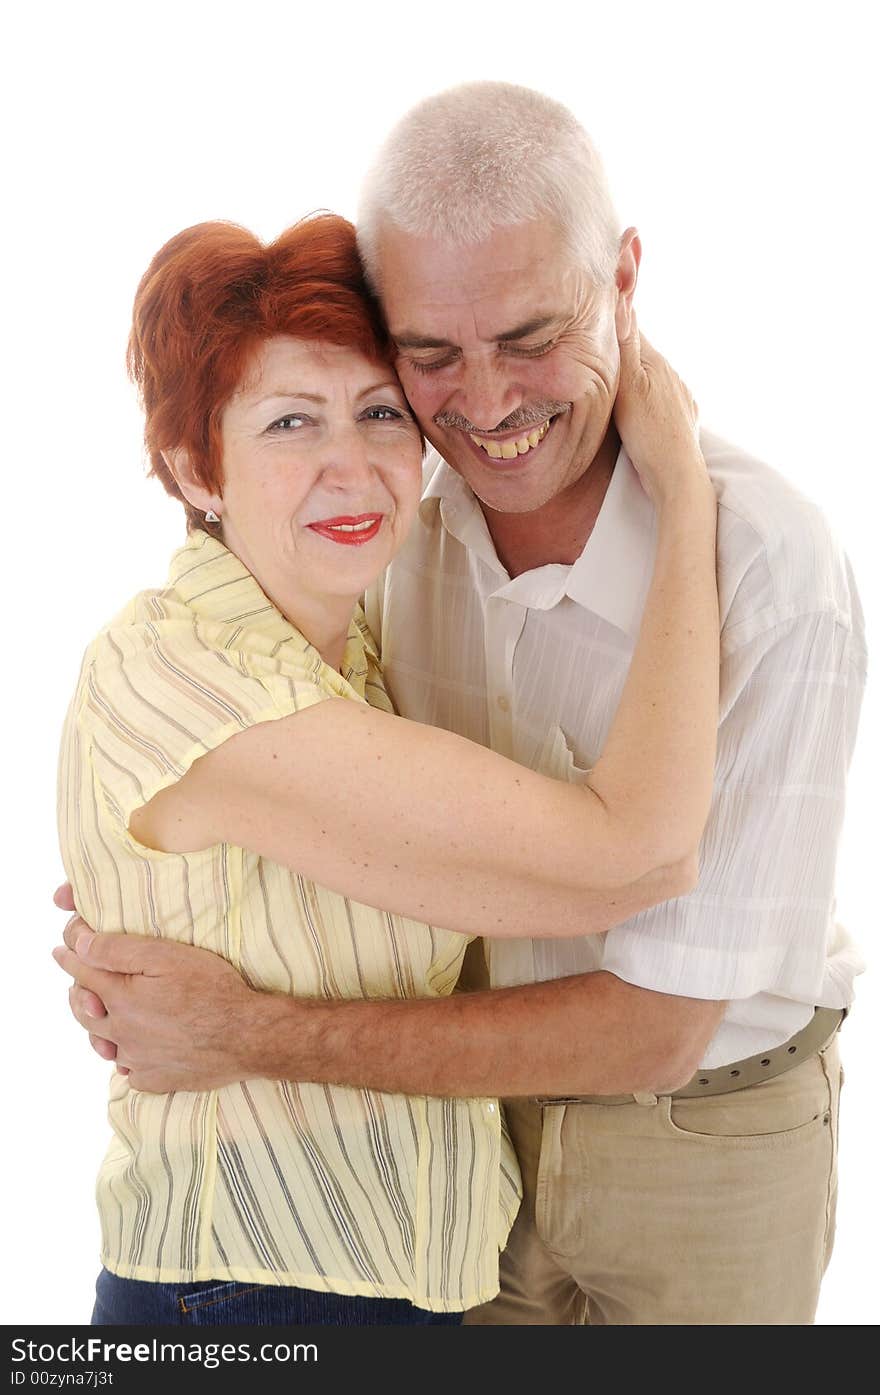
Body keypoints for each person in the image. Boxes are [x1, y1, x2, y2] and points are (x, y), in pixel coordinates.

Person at [55, 81, 865, 1326]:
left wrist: (241, 1015)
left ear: (625, 279)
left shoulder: (765, 565)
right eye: (427, 358)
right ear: (189, 464)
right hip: (400, 1188)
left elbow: (652, 1019)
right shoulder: (385, 546)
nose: (483, 405)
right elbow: (532, 842)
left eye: (532, 338)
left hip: (697, 1140)